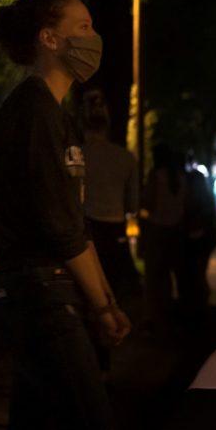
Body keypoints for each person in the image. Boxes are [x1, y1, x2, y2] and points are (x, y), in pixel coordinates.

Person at [0, 0, 130, 430]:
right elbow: (58, 227)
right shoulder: (33, 114)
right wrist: (103, 308)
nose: (95, 38)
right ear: (49, 39)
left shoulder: (56, 116)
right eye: (82, 28)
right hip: (42, 297)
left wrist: (104, 299)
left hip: (47, 292)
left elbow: (73, 223)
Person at [83, 89, 140, 308]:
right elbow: (133, 203)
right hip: (115, 226)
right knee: (115, 284)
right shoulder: (124, 158)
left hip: (87, 226)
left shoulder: (76, 154)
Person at [140, 144, 186, 337]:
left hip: (158, 230)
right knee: (171, 277)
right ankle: (172, 320)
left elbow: (148, 202)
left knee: (155, 279)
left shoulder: (156, 176)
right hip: (177, 232)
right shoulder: (181, 178)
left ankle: (157, 321)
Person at [179, 161, 216, 331]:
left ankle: (197, 309)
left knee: (195, 274)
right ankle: (200, 307)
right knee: (199, 273)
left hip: (198, 240)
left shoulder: (192, 201)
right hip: (206, 240)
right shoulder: (207, 199)